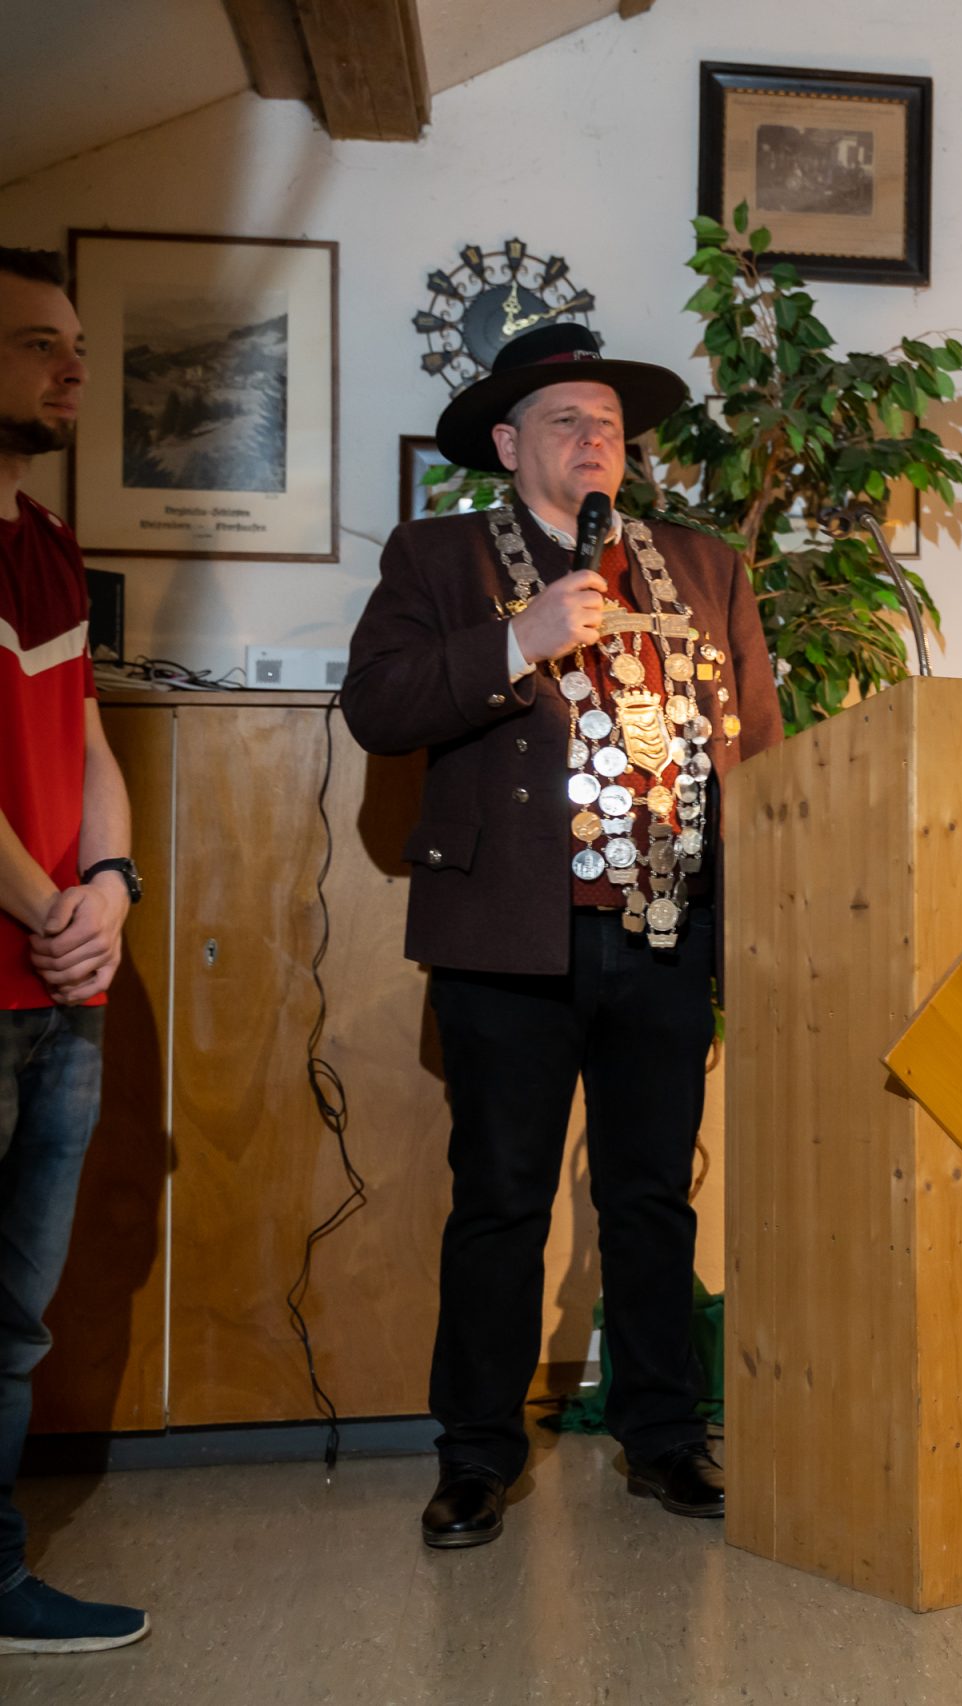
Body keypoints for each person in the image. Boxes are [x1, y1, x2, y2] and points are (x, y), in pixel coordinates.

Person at [343, 323, 782, 1549]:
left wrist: (750, 927)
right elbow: (375, 705)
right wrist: (516, 640)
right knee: (499, 1200)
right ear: (506, 443)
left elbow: (759, 753)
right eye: (564, 422)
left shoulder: (704, 565)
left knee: (652, 1198)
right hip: (507, 938)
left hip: (666, 932)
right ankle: (477, 1452)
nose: (595, 441)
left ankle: (664, 1435)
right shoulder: (435, 557)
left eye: (609, 424)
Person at [0, 245, 148, 1653]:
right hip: (27, 965)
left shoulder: (48, 539)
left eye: (78, 344)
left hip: (63, 986)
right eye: (38, 342)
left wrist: (110, 880)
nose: (72, 368)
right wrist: (50, 907)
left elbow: (91, 744)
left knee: (13, 1317)